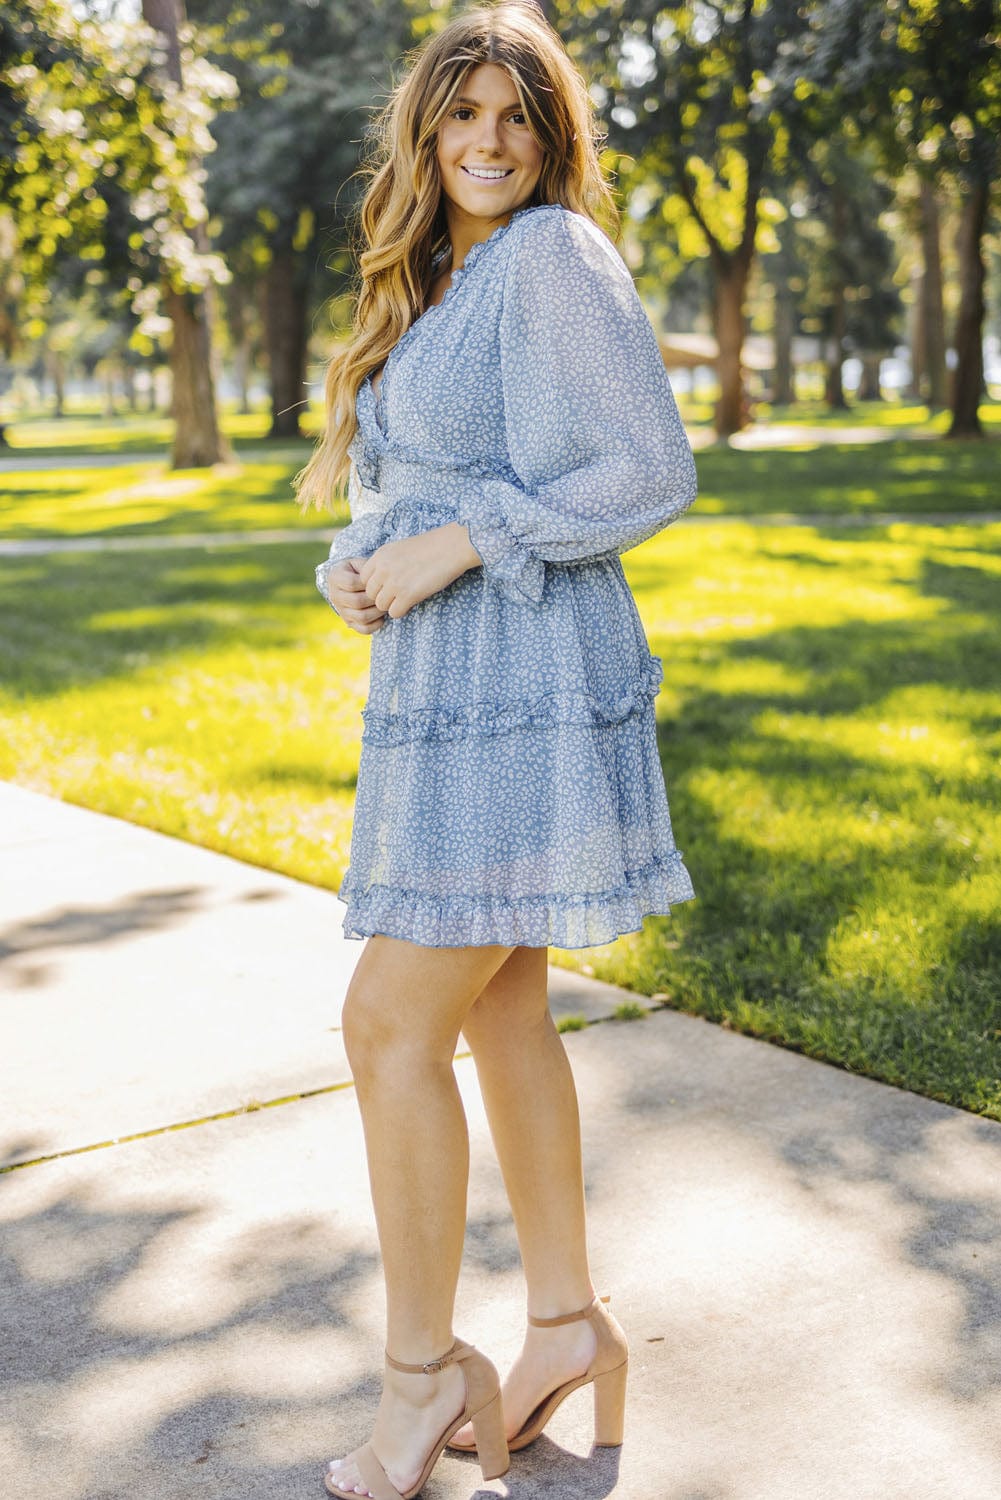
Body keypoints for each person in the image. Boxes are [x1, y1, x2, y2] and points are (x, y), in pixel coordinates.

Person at [295, 4, 697, 1496]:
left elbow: (648, 468)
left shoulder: (549, 254)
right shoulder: (444, 273)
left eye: (516, 118)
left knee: (387, 1023)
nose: (487, 142)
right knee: (501, 1010)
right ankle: (564, 1324)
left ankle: (419, 1381)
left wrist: (463, 539)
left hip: (523, 680)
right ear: (425, 129)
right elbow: (414, 484)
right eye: (462, 114)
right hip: (446, 680)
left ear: (550, 137)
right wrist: (360, 566)